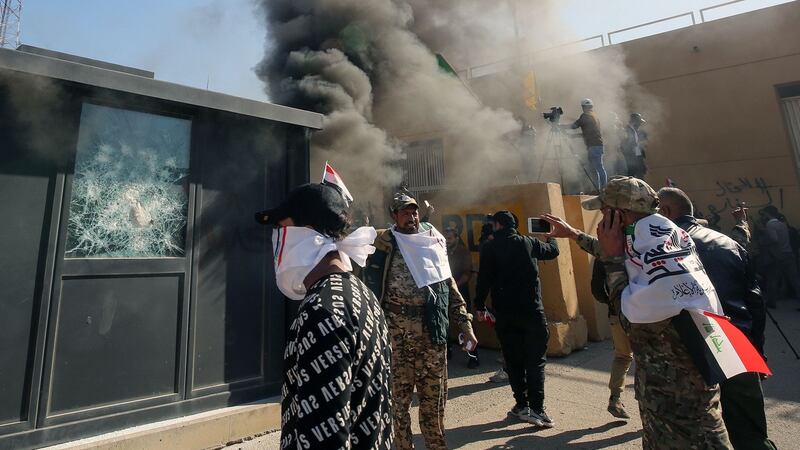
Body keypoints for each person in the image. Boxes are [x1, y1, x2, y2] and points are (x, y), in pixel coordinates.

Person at [542, 176, 733, 449]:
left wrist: (612, 262)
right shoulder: (660, 235)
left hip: (679, 409)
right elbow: (618, 253)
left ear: (619, 215)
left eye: (605, 211)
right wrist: (573, 234)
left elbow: (629, 317)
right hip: (668, 400)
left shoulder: (644, 255)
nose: (602, 218)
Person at [256, 183, 392, 450]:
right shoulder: (362, 294)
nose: (277, 238)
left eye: (281, 228)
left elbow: (326, 437)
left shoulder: (323, 311)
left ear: (305, 232)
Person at [658, 187, 775, 450]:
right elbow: (756, 303)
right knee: (750, 435)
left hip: (689, 354)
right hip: (736, 345)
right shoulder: (729, 243)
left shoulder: (661, 250)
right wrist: (756, 352)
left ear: (665, 211)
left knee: (697, 433)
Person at [362, 193, 477, 450]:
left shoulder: (432, 244)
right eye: (405, 212)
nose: (411, 217)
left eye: (414, 212)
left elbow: (450, 291)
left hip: (430, 336)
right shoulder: (384, 245)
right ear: (394, 216)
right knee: (397, 404)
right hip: (396, 337)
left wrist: (465, 326)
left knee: (433, 404)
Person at [474, 211, 560, 427]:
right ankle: (537, 409)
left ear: (498, 225)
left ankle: (522, 405)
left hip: (505, 315)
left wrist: (479, 306)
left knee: (513, 362)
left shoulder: (490, 247)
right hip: (532, 313)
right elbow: (553, 251)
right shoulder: (529, 243)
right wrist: (551, 236)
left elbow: (483, 280)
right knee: (535, 362)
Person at [589, 259, 634, 419]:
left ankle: (615, 398)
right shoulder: (640, 247)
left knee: (622, 356)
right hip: (644, 312)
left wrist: (611, 302)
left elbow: (596, 289)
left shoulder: (603, 253)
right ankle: (647, 403)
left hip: (617, 313)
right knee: (647, 358)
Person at [443, 227, 480, 368]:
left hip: (460, 292)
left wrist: (454, 287)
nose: (447, 241)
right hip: (444, 291)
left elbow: (466, 274)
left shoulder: (463, 252)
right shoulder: (443, 250)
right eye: (446, 238)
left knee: (466, 324)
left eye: (450, 238)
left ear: (456, 238)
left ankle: (473, 357)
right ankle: (447, 351)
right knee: (444, 322)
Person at [758, 205, 800, 307]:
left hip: (777, 255)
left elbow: (774, 239)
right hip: (788, 254)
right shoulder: (782, 224)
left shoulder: (770, 225)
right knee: (794, 280)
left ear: (767, 214)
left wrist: (763, 241)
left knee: (772, 279)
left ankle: (771, 302)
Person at [568, 98, 607, 189]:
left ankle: (603, 188)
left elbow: (574, 126)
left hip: (593, 146)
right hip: (597, 145)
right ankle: (600, 188)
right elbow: (589, 133)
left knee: (597, 168)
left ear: (583, 107)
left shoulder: (585, 116)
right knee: (596, 168)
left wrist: (560, 126)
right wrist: (574, 136)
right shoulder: (595, 116)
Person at [621, 113, 647, 178]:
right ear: (634, 121)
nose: (640, 124)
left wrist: (641, 159)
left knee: (640, 174)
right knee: (631, 175)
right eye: (639, 122)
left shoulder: (635, 130)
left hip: (637, 158)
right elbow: (625, 146)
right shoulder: (626, 130)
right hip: (630, 159)